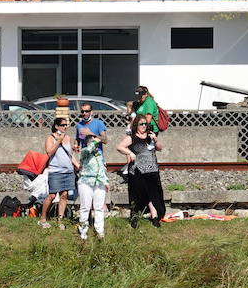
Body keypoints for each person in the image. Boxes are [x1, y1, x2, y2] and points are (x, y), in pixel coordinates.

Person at [117, 114, 165, 227]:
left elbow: (160, 148)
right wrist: (130, 153)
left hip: (152, 170)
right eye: (141, 124)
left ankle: (155, 217)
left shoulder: (150, 136)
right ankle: (134, 217)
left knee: (153, 194)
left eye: (145, 124)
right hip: (137, 171)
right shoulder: (132, 137)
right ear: (136, 125)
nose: (144, 126)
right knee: (137, 194)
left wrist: (155, 139)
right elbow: (119, 147)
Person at [75, 103, 109, 241]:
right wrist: (76, 144)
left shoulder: (99, 123)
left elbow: (105, 140)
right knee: (85, 205)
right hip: (86, 167)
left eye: (86, 111)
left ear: (91, 112)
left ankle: (99, 231)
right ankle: (83, 231)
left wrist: (92, 134)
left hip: (99, 166)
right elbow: (78, 140)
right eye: (82, 112)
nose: (84, 114)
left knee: (99, 206)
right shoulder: (78, 126)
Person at [40, 118, 75, 230]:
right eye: (62, 125)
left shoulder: (68, 138)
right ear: (56, 126)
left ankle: (60, 220)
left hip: (68, 171)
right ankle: (43, 218)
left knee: (64, 195)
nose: (65, 127)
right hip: (56, 171)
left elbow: (70, 155)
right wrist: (59, 141)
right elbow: (49, 152)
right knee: (52, 195)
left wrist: (77, 165)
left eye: (66, 125)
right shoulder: (50, 138)